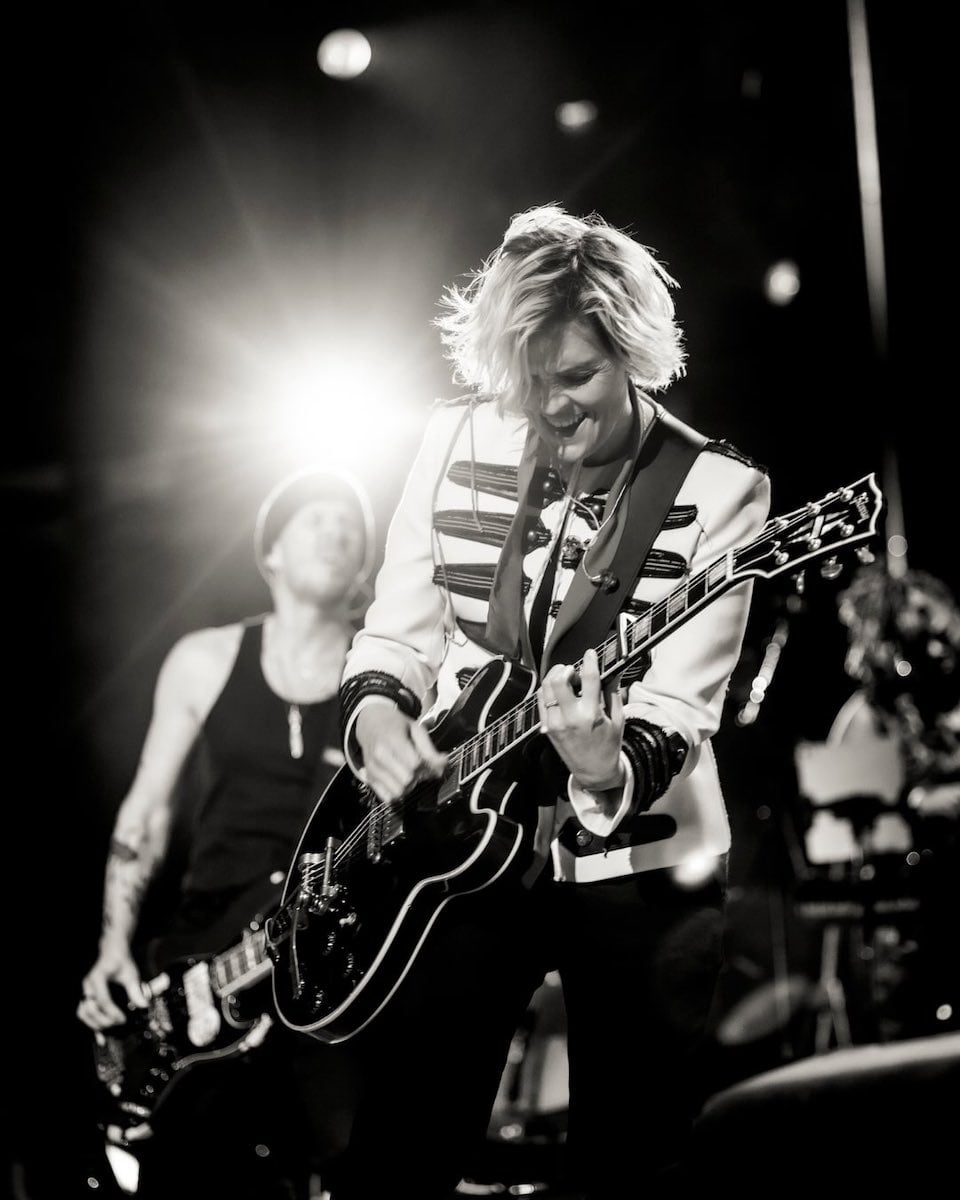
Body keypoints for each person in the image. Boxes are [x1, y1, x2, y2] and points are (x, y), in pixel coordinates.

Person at [326, 204, 772, 1199]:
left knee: (634, 1161)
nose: (552, 410)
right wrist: (377, 718)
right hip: (459, 844)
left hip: (644, 860)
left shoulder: (722, 491)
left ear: (635, 353)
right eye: (532, 387)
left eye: (576, 379)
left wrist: (604, 762)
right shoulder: (449, 438)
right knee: (395, 1150)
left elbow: (681, 710)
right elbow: (396, 631)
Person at [76, 466, 376, 1200]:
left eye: (350, 526)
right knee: (189, 1169)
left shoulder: (389, 675)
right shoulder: (204, 659)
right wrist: (114, 945)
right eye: (317, 519)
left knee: (349, 1158)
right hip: (209, 960)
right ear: (270, 552)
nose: (337, 532)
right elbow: (144, 815)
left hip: (338, 962)